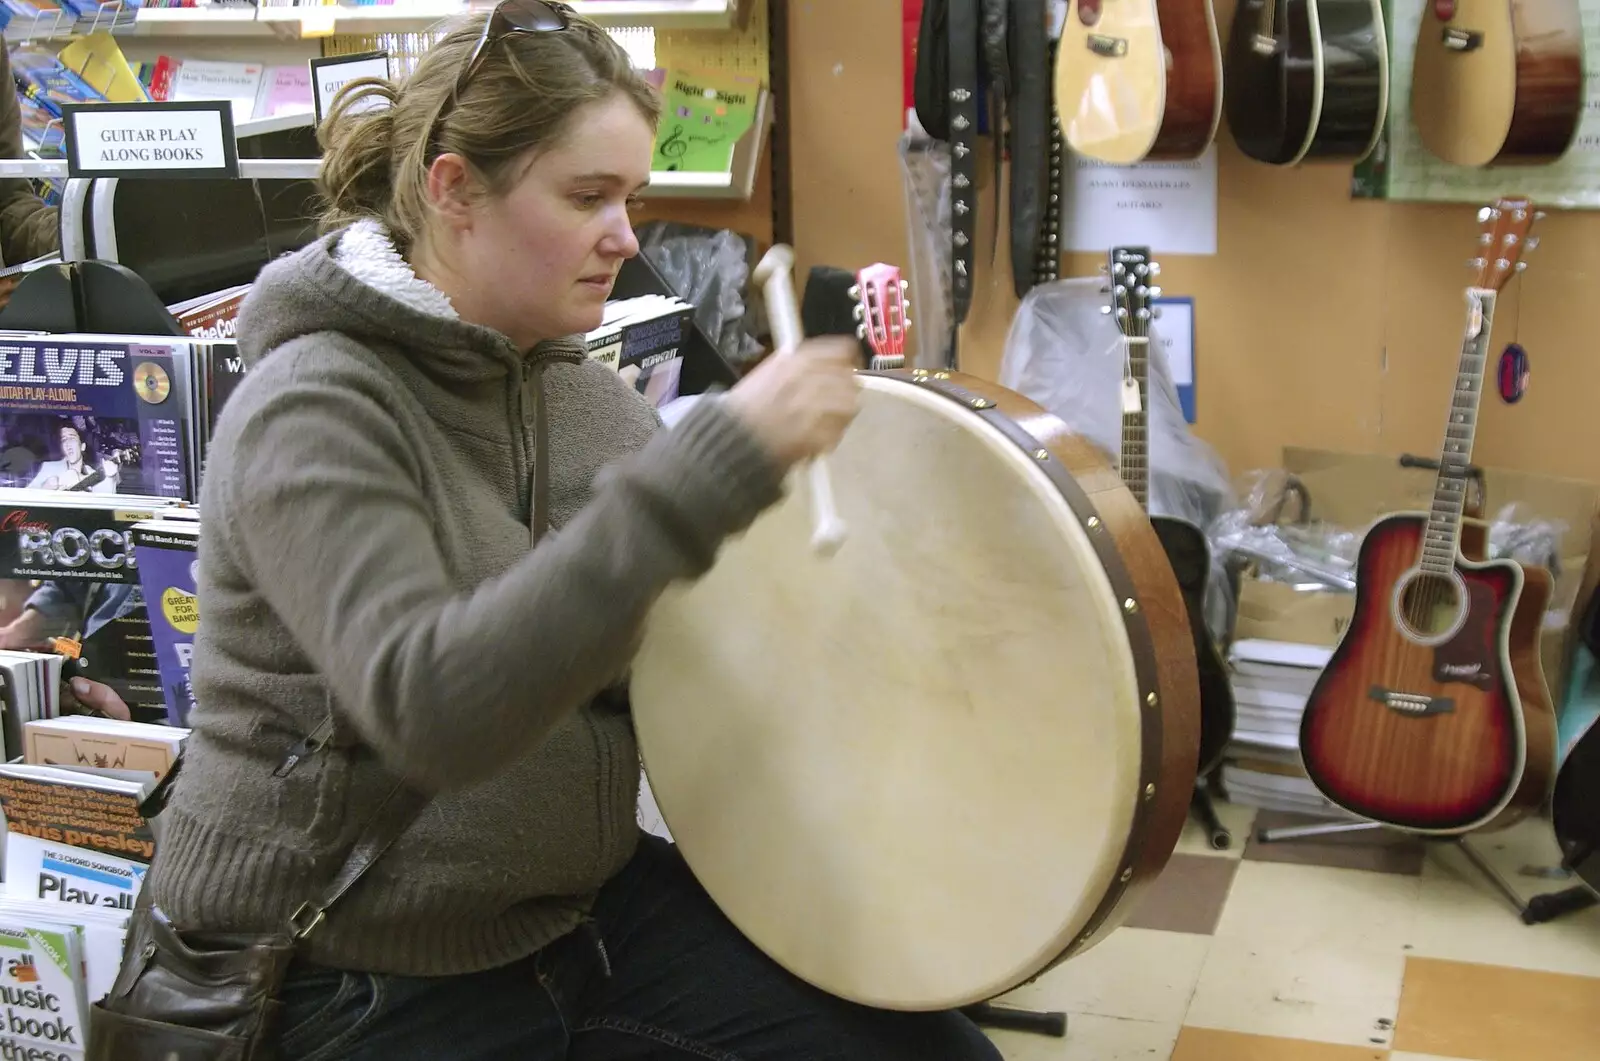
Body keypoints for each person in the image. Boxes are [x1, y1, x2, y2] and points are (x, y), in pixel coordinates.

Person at [139, 4, 1004, 1059]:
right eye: (588, 196)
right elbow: (434, 708)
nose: (627, 236)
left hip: (568, 916)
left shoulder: (587, 402)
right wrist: (713, 465)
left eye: (631, 197)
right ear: (455, 190)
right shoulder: (312, 407)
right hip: (349, 971)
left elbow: (668, 642)